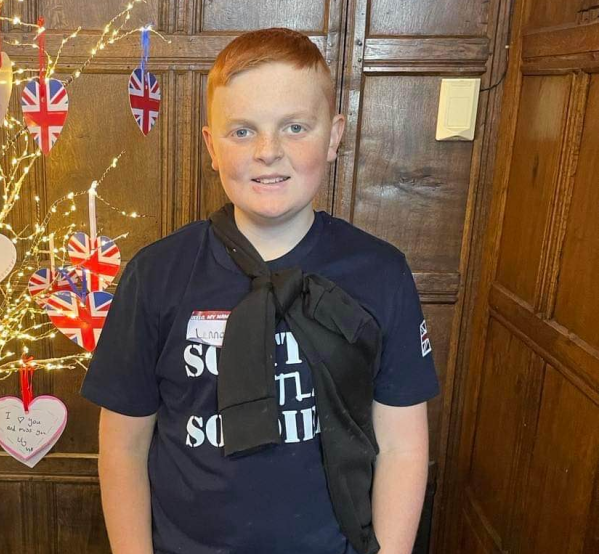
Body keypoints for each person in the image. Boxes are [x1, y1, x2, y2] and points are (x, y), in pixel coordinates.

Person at [81, 27, 440, 554]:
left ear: (334, 136)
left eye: (295, 127)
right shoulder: (155, 275)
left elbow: (402, 446)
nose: (268, 152)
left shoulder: (382, 273)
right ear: (211, 146)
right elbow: (123, 448)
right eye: (242, 131)